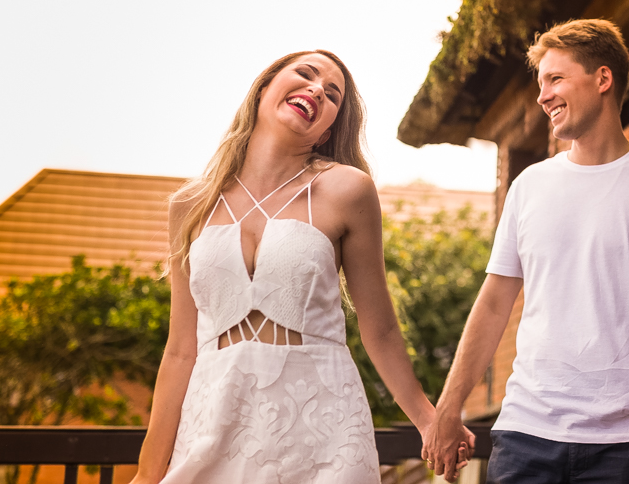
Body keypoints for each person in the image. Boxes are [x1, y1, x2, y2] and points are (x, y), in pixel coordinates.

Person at [131, 50, 472, 484]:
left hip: (322, 429)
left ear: (328, 128)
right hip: (212, 423)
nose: (316, 90)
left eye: (332, 95)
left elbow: (380, 328)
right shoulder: (189, 205)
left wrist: (428, 420)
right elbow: (180, 349)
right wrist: (146, 472)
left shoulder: (347, 190)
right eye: (306, 75)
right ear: (265, 87)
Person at [424, 19, 629, 484]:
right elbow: (492, 304)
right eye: (540, 83)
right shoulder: (528, 187)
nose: (542, 95)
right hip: (526, 436)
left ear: (603, 79)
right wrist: (447, 408)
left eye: (555, 79)